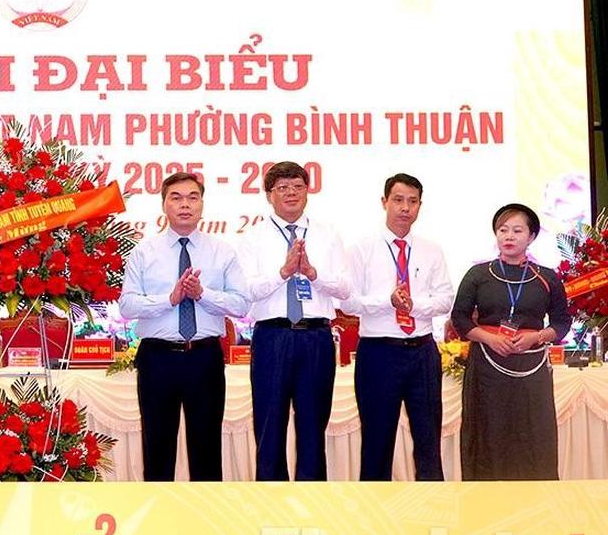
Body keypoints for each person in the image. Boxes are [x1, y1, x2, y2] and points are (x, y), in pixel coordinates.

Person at [118, 172, 248, 481]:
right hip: (157, 358)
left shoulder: (222, 251)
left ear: (202, 204)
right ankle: (157, 509)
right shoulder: (144, 252)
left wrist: (202, 294)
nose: (185, 205)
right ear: (164, 205)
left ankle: (206, 510)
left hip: (204, 358)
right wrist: (170, 299)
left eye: (193, 197)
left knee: (206, 450)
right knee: (157, 449)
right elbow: (127, 306)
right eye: (176, 198)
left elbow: (241, 305)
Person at [237, 161, 350, 481]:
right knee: (269, 425)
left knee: (313, 426)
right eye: (283, 188)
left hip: (316, 337)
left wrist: (313, 274)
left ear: (307, 192)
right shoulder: (253, 238)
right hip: (272, 336)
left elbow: (345, 289)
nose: (291, 193)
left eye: (298, 187)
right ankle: (270, 497)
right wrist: (283, 273)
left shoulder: (328, 235)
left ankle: (311, 497)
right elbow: (246, 291)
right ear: (269, 195)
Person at [342, 174, 453, 481]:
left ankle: (433, 504)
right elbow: (348, 303)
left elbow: (446, 299)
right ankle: (373, 507)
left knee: (428, 440)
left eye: (412, 201)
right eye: (399, 200)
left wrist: (413, 306)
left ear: (420, 206)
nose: (405, 208)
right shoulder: (361, 249)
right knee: (377, 442)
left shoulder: (432, 250)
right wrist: (386, 301)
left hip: (423, 352)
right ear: (384, 202)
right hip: (379, 353)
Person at [451, 203, 569, 480]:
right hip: (487, 367)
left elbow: (562, 323)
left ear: (531, 236)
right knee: (488, 432)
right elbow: (460, 318)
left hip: (531, 368)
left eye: (517, 231)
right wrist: (489, 338)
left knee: (533, 432)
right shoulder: (479, 274)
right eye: (503, 230)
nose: (509, 236)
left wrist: (536, 337)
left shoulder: (547, 277)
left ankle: (536, 499)